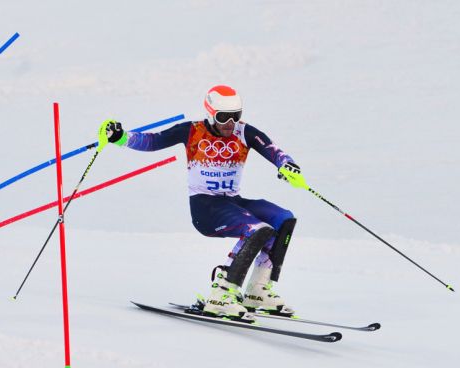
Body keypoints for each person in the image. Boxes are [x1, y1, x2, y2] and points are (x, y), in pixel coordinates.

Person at [98, 85, 308, 322]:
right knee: (257, 229)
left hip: (232, 203)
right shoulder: (191, 131)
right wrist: (121, 137)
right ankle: (222, 292)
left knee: (283, 218)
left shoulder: (244, 132)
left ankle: (257, 290)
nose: (230, 123)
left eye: (236, 115)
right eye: (223, 117)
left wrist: (286, 165)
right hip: (206, 208)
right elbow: (152, 141)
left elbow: (273, 150)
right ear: (210, 113)